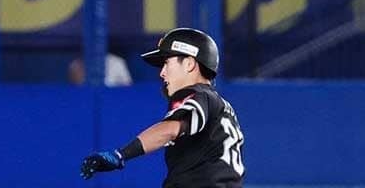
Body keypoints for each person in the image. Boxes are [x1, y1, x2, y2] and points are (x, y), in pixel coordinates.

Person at [80, 28, 246, 187]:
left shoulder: (196, 93)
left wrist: (120, 155)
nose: (162, 72)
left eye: (167, 63)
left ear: (189, 64)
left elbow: (171, 129)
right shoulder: (221, 105)